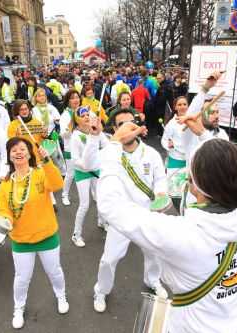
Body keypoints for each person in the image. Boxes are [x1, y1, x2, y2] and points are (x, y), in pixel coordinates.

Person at [98, 124, 237, 333]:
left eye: (191, 180)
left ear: (199, 190)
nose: (188, 183)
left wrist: (113, 145)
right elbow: (230, 171)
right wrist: (203, 134)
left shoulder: (182, 235)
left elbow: (111, 206)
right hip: (234, 323)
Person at [93, 108, 168, 313]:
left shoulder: (151, 154)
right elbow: (89, 163)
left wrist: (161, 194)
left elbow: (161, 179)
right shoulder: (109, 154)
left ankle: (153, 280)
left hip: (147, 213)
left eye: (130, 123)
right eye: (121, 125)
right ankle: (101, 290)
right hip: (121, 217)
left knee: (154, 253)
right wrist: (93, 136)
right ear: (114, 130)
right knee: (109, 259)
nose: (127, 129)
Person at [0, 137, 69, 329]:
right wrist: (5, 221)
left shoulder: (40, 174)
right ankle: (18, 308)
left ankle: (61, 296)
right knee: (22, 278)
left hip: (47, 236)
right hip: (21, 240)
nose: (18, 152)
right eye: (14, 150)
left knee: (54, 271)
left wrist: (47, 161)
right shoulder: (4, 184)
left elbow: (57, 185)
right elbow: (3, 209)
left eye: (23, 149)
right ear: (9, 156)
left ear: (30, 153)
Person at [70, 106, 108, 247]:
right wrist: (84, 165)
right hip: (83, 173)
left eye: (87, 114)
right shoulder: (75, 137)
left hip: (97, 170)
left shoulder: (96, 130)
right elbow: (75, 159)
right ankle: (76, 234)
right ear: (77, 120)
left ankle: (102, 221)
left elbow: (106, 146)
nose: (86, 117)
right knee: (85, 204)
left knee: (100, 198)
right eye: (82, 115)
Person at [59, 89, 80, 206]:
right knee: (71, 173)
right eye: (72, 98)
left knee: (89, 172)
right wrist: (72, 123)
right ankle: (64, 194)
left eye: (77, 97)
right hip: (70, 149)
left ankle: (94, 194)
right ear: (68, 101)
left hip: (83, 148)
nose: (76, 100)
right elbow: (63, 135)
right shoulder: (65, 115)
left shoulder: (82, 112)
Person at [161, 96, 188, 176]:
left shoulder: (192, 121)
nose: (182, 107)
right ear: (175, 107)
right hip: (176, 160)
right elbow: (164, 140)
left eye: (184, 104)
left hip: (190, 160)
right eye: (179, 105)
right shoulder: (171, 124)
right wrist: (168, 145)